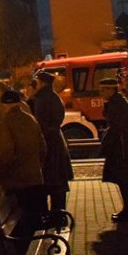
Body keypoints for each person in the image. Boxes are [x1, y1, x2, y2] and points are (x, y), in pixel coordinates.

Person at [0, 90, 47, 255]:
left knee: (21, 222)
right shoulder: (31, 120)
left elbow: (5, 153)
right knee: (35, 219)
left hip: (17, 181)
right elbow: (43, 148)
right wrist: (37, 166)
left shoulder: (5, 124)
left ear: (4, 105)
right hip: (34, 179)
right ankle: (38, 252)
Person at [98, 78, 128, 223]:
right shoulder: (116, 101)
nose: (101, 93)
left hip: (123, 148)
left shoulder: (117, 103)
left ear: (111, 89)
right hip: (123, 146)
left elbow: (117, 126)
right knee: (125, 178)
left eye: (103, 90)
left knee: (124, 178)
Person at [31, 71, 74, 212]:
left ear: (42, 82)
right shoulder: (53, 97)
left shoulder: (43, 99)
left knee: (51, 181)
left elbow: (42, 123)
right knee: (57, 182)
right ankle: (58, 213)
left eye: (37, 81)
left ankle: (55, 214)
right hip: (55, 142)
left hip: (49, 144)